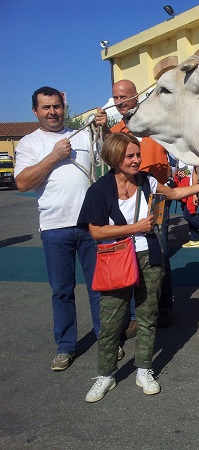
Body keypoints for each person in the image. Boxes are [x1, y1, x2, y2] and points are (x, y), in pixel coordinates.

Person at [78, 132, 199, 402]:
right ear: (115, 158)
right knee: (112, 321)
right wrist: (134, 228)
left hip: (149, 257)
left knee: (147, 316)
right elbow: (95, 231)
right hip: (116, 259)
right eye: (130, 156)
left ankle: (144, 369)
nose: (137, 159)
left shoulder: (148, 181)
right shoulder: (99, 190)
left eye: (137, 154)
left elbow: (173, 192)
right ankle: (105, 375)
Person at [14, 86, 103, 372]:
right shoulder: (29, 143)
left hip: (89, 225)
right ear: (35, 111)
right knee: (62, 291)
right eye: (46, 107)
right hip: (54, 227)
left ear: (64, 107)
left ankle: (107, 338)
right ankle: (66, 346)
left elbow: (110, 158)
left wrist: (106, 130)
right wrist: (53, 157)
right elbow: (23, 183)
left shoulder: (83, 134)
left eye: (57, 106)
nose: (52, 112)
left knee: (98, 287)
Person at [96, 79, 175, 328]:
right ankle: (134, 312)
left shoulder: (153, 119)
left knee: (158, 250)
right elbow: (117, 150)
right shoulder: (119, 127)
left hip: (156, 196)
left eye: (124, 97)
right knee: (130, 249)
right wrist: (106, 131)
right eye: (116, 98)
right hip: (129, 194)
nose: (119, 102)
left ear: (136, 96)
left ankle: (163, 307)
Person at [174, 164, 199, 248]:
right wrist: (178, 176)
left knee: (188, 215)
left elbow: (195, 175)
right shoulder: (179, 160)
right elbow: (177, 173)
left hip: (191, 190)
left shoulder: (193, 161)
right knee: (190, 214)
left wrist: (195, 193)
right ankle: (195, 238)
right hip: (183, 190)